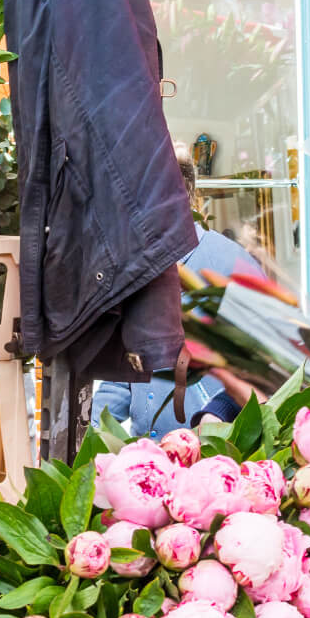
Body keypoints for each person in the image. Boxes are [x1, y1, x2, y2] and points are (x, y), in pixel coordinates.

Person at [94, 155, 263, 435]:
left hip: (216, 457)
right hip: (151, 459)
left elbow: (263, 366)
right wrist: (93, 430)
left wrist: (217, 413)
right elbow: (122, 376)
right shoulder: (132, 271)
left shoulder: (233, 266)